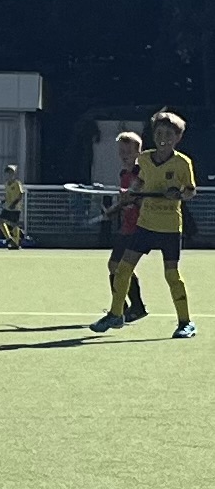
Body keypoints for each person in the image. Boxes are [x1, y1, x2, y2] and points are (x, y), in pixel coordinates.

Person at [93, 109, 195, 337]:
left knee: (172, 275)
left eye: (169, 134)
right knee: (123, 268)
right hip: (146, 224)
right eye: (159, 133)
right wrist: (131, 192)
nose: (163, 138)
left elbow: (190, 191)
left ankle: (185, 322)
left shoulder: (182, 163)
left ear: (177, 138)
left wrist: (177, 195)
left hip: (169, 226)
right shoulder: (145, 159)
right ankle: (116, 314)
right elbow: (139, 182)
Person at [102, 128, 148, 324]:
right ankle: (128, 307)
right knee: (116, 266)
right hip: (126, 227)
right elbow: (126, 200)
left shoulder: (141, 173)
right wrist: (113, 209)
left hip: (139, 227)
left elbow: (142, 198)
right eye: (121, 152)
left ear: (138, 152)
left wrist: (132, 200)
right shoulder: (124, 174)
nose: (124, 156)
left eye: (128, 152)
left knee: (119, 266)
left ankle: (127, 308)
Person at [0, 165, 25, 249]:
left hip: (15, 207)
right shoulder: (6, 184)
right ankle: (9, 238)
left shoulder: (17, 183)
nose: (9, 174)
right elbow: (7, 195)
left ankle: (16, 243)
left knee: (14, 224)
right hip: (8, 207)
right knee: (1, 221)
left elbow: (20, 194)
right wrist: (4, 201)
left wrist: (14, 203)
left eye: (11, 172)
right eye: (8, 172)